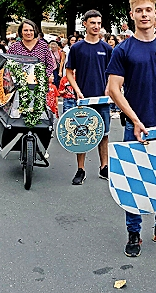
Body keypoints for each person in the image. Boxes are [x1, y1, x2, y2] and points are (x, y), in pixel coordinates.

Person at [106, 0, 156, 258]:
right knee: (134, 182)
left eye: (148, 10)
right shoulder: (123, 49)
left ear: (155, 13)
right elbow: (113, 89)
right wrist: (136, 120)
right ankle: (134, 233)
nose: (144, 14)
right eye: (139, 11)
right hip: (134, 128)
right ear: (132, 15)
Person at [66, 10, 113, 185]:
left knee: (104, 134)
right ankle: (81, 169)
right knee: (81, 134)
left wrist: (109, 88)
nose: (96, 26)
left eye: (99, 23)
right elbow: (69, 72)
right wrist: (77, 90)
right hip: (84, 99)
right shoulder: (77, 48)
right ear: (84, 24)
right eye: (92, 23)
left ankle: (104, 167)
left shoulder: (107, 49)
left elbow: (113, 73)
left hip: (102, 100)